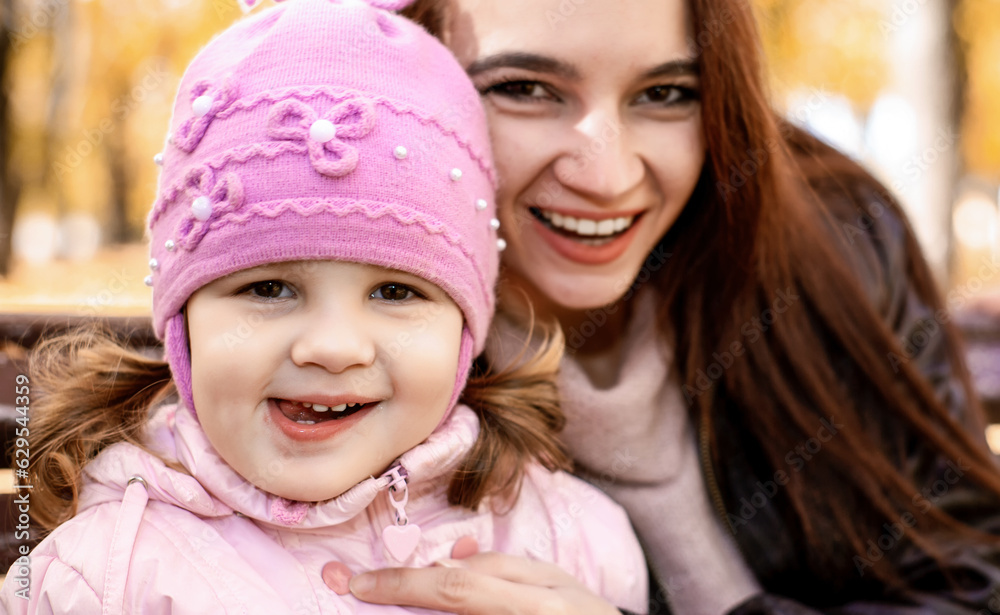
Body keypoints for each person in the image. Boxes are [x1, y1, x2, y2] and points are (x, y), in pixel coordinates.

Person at [337, 0, 1000, 613]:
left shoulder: (837, 241)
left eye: (665, 94)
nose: (608, 176)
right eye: (524, 88)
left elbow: (973, 581)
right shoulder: (334, 364)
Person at [0, 0, 650, 612]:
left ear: (464, 331)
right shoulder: (103, 578)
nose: (334, 346)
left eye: (397, 291)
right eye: (268, 288)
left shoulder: (573, 543)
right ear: (182, 324)